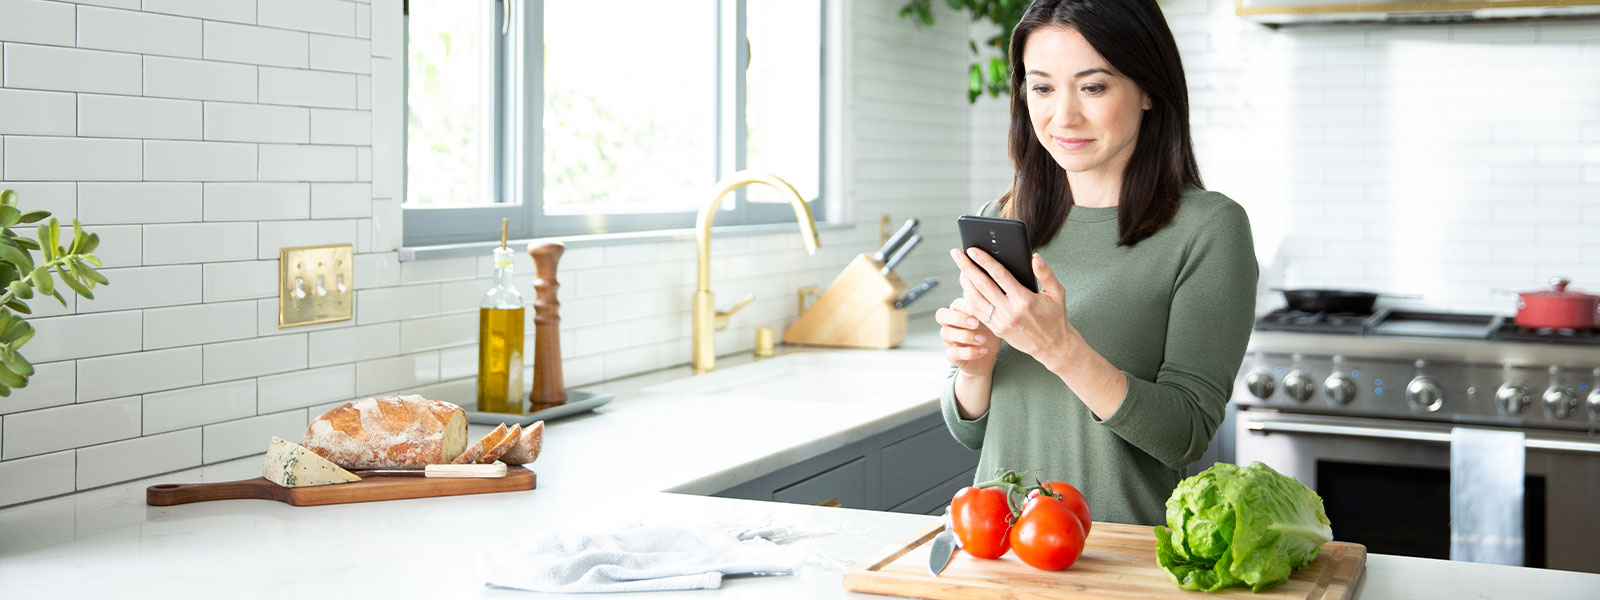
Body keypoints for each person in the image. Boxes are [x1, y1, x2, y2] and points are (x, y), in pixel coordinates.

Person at [938, 0, 1258, 526]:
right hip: (999, 547)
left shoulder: (1209, 229)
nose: (1063, 116)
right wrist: (974, 367)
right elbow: (972, 431)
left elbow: (1187, 435)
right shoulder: (1004, 217)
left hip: (1121, 558)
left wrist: (1060, 349)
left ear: (1149, 89)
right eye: (1041, 87)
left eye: (1093, 87)